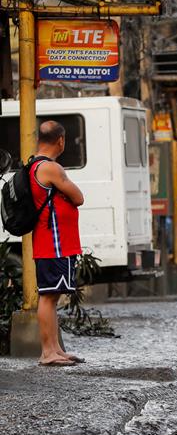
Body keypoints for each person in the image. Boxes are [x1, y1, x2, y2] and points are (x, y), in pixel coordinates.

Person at [30, 121, 85, 367]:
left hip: (53, 241)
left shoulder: (34, 165)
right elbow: (78, 197)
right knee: (48, 296)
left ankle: (55, 349)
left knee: (51, 296)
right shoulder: (50, 168)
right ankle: (47, 352)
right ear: (60, 140)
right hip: (54, 242)